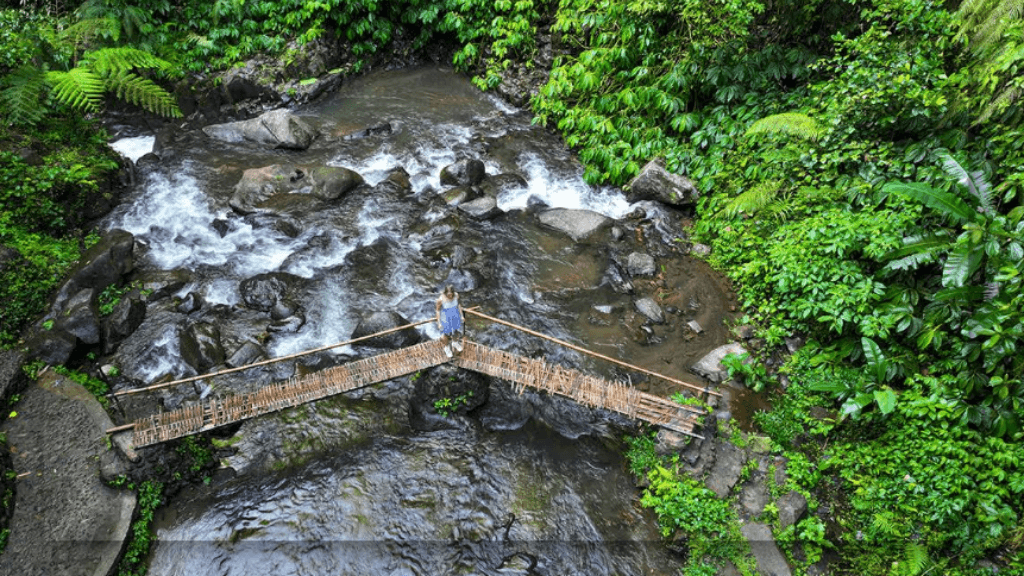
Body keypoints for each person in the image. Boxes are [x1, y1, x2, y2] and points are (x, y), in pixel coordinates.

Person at [436, 284, 464, 358]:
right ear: (445, 293)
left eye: (451, 294)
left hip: (455, 316)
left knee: (456, 331)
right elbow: (438, 311)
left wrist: (462, 316)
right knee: (445, 334)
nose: (450, 296)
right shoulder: (440, 299)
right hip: (445, 318)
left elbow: (459, 305)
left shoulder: (456, 295)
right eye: (448, 294)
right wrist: (439, 322)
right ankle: (447, 347)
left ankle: (455, 342)